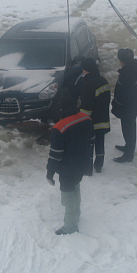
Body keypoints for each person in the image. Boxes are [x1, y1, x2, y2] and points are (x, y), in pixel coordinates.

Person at [46, 94, 95, 235]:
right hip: (82, 164)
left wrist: (50, 172)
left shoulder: (60, 128)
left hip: (67, 168)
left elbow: (55, 154)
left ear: (61, 109)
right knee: (76, 188)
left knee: (67, 196)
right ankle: (76, 215)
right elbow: (92, 140)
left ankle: (70, 226)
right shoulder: (87, 119)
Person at [111, 48, 137, 163]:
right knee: (129, 128)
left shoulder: (128, 75)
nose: (119, 62)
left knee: (128, 129)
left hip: (128, 107)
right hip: (133, 104)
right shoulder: (135, 68)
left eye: (120, 60)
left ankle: (129, 154)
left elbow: (124, 94)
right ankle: (128, 146)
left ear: (123, 61)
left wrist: (116, 103)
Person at [79, 58, 110, 173]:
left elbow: (87, 106)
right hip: (103, 119)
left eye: (83, 69)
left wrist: (82, 121)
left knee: (89, 145)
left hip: (92, 121)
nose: (82, 72)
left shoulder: (89, 84)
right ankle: (99, 165)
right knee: (100, 143)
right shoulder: (103, 80)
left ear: (87, 70)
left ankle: (88, 168)